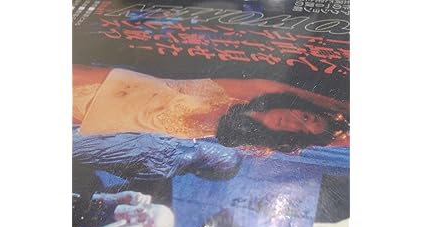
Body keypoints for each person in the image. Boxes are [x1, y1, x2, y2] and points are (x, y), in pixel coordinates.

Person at [73, 64, 349, 152]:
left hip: (102, 116)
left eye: (301, 131)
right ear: (299, 106)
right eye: (306, 116)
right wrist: (338, 106)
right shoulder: (247, 93)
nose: (295, 122)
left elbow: (332, 141)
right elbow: (290, 92)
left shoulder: (238, 133)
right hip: (110, 86)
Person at [78, 191, 175, 227]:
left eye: (140, 220)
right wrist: (113, 197)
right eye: (147, 207)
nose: (135, 211)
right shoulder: (114, 201)